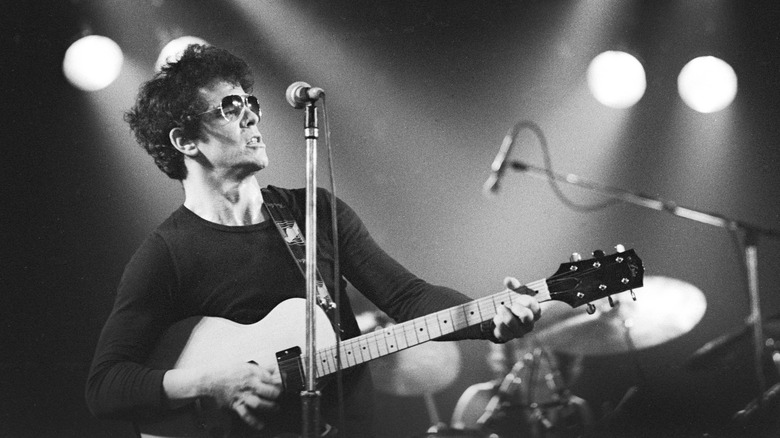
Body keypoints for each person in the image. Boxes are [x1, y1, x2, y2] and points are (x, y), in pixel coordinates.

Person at [85, 44, 541, 437]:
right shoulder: (166, 254)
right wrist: (211, 382)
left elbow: (408, 296)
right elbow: (105, 385)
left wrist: (490, 320)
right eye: (229, 107)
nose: (250, 115)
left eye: (250, 103)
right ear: (185, 140)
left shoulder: (315, 212)